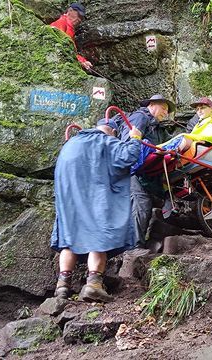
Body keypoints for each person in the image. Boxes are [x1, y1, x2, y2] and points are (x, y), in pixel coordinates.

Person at [50, 119, 142, 302]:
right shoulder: (106, 141)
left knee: (69, 239)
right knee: (98, 237)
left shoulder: (71, 144)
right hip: (95, 200)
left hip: (69, 201)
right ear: (112, 132)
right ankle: (93, 284)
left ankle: (62, 287)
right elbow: (128, 156)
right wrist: (135, 139)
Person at [114, 94, 175, 276]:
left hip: (148, 172)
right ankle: (134, 246)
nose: (166, 112)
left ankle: (140, 241)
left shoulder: (158, 127)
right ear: (153, 105)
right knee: (141, 205)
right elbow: (130, 140)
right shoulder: (141, 117)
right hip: (134, 170)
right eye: (164, 108)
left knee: (147, 204)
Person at [50, 2, 93, 70]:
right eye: (78, 15)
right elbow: (57, 46)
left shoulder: (71, 30)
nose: (80, 20)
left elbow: (71, 51)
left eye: (82, 18)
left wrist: (83, 61)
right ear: (70, 11)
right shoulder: (62, 22)